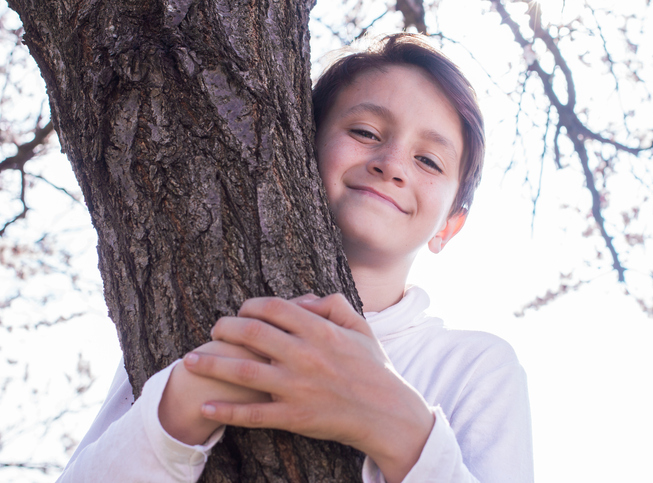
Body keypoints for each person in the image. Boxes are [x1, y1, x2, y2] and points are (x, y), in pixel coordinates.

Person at [58, 33, 533, 483]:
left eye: (429, 160)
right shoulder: (188, 297)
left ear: (449, 225)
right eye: (366, 131)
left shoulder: (474, 366)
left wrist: (398, 423)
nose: (391, 162)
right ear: (300, 149)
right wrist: (179, 408)